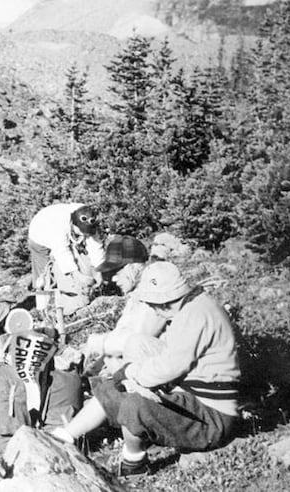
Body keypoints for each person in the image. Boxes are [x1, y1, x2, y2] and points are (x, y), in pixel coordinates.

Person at [51, 261, 241, 477]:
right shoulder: (193, 306)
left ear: (166, 301)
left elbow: (170, 367)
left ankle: (133, 462)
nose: (154, 311)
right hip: (192, 394)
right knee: (135, 349)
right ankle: (64, 436)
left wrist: (132, 373)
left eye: (154, 305)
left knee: (135, 403)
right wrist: (131, 374)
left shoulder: (194, 316)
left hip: (211, 416)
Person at [84, 235, 167, 375]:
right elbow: (122, 331)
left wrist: (98, 343)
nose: (113, 279)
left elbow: (136, 341)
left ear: (132, 267)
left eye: (117, 272)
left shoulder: (155, 291)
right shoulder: (137, 294)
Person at [27, 203, 105, 314]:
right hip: (40, 234)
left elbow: (95, 245)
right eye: (81, 231)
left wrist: (99, 271)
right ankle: (42, 308)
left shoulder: (88, 216)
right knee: (43, 276)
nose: (84, 234)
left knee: (79, 260)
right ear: (73, 224)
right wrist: (78, 276)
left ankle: (75, 296)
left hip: (62, 233)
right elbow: (62, 252)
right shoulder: (59, 225)